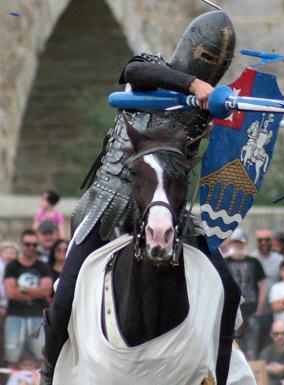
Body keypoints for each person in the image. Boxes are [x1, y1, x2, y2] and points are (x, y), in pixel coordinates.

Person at [41, 11, 239, 385]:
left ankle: (220, 374)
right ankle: (48, 374)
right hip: (111, 202)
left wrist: (220, 115)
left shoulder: (202, 110)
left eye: (218, 64)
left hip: (168, 209)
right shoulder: (152, 70)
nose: (210, 67)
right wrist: (194, 85)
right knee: (66, 295)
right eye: (206, 57)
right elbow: (133, 73)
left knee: (229, 289)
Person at [4, 229, 53, 368]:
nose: (31, 247)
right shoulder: (12, 266)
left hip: (37, 316)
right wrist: (36, 292)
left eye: (34, 244)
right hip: (15, 315)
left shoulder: (43, 266)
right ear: (21, 245)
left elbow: (46, 291)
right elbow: (11, 293)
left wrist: (23, 289)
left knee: (41, 357)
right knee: (12, 357)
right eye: (27, 244)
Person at [224, 230, 266, 360]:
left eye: (240, 243)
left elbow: (262, 287)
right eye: (235, 243)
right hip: (232, 311)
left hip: (251, 309)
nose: (237, 246)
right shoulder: (225, 262)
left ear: (245, 244)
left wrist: (259, 309)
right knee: (233, 345)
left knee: (252, 345)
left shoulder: (254, 262)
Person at [251, 229, 284, 356]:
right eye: (260, 240)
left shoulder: (280, 260)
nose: (264, 243)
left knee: (270, 347)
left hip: (275, 311)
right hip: (256, 311)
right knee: (254, 346)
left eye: (267, 240)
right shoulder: (251, 259)